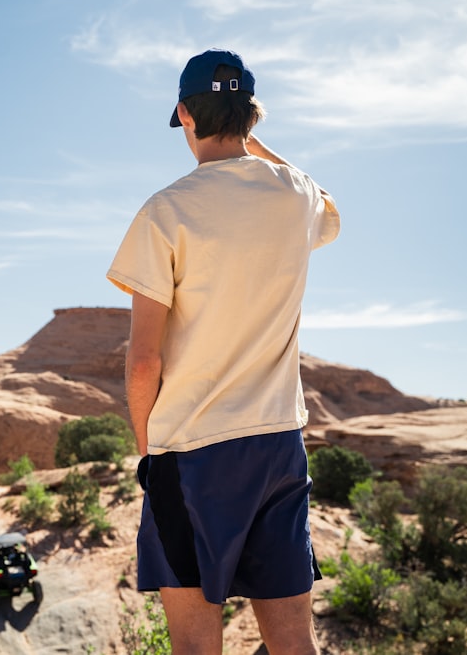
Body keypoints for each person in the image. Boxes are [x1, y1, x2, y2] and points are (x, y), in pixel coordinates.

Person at [106, 49, 340, 654]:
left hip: (191, 453)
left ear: (184, 113)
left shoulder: (167, 211)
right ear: (252, 117)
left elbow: (143, 362)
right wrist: (255, 151)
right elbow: (328, 208)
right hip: (278, 445)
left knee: (193, 645)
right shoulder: (294, 196)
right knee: (293, 642)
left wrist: (147, 454)